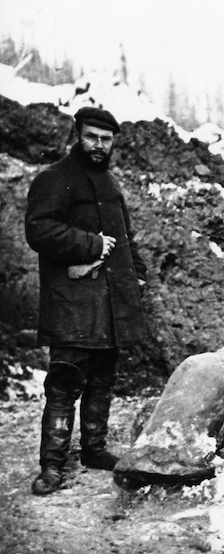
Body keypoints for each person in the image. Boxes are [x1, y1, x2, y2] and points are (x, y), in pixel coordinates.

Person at [25, 106, 148, 495]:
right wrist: (91, 244)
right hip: (72, 304)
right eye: (92, 136)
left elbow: (124, 235)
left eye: (106, 139)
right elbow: (40, 231)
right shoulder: (53, 178)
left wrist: (138, 272)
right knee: (64, 383)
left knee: (103, 379)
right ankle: (52, 465)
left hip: (111, 303)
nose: (99, 145)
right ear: (76, 134)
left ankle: (94, 449)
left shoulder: (109, 183)